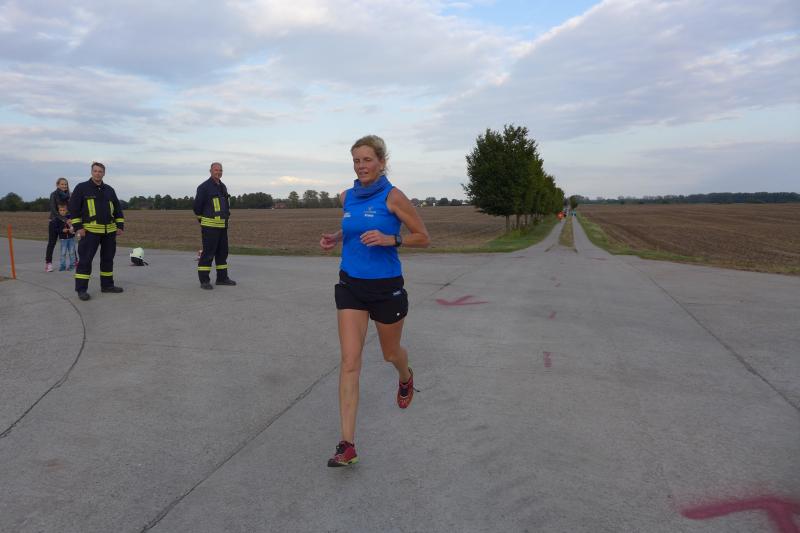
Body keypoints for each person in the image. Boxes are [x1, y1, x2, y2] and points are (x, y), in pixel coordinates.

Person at [319, 135, 430, 467]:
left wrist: (390, 239)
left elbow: (423, 237)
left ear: (381, 162)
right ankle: (347, 445)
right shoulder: (346, 197)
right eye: (356, 160)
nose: (361, 166)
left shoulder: (394, 197)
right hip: (351, 285)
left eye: (367, 160)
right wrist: (337, 236)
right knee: (350, 362)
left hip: (386, 288)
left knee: (389, 353)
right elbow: (354, 228)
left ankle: (405, 375)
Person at [68, 162, 125, 301]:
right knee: (85, 261)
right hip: (89, 232)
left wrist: (120, 226)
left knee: (108, 260)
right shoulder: (82, 188)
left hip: (109, 232)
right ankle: (81, 290)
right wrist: (78, 227)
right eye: (95, 171)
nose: (98, 173)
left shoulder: (109, 190)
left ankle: (107, 286)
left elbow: (117, 209)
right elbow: (73, 209)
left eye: (100, 171)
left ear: (104, 173)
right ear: (91, 172)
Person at [193, 162, 236, 289]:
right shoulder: (204, 187)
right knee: (208, 254)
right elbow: (197, 207)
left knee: (222, 253)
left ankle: (222, 278)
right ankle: (204, 281)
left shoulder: (223, 187)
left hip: (222, 227)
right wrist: (203, 220)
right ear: (210, 171)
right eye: (216, 170)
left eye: (220, 170)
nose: (219, 172)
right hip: (209, 227)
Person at [45, 178, 70, 272]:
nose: (64, 186)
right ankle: (48, 264)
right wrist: (64, 219)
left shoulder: (69, 195)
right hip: (55, 221)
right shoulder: (53, 194)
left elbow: (70, 208)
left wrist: (70, 219)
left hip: (66, 222)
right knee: (52, 243)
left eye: (65, 184)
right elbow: (53, 210)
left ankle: (74, 261)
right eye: (62, 184)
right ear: (57, 185)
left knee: (70, 241)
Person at [51, 203, 77, 271]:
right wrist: (62, 230)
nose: (62, 211)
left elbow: (74, 226)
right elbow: (56, 229)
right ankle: (62, 266)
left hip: (71, 238)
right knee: (63, 253)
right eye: (61, 210)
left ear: (66, 210)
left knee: (72, 253)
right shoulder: (57, 219)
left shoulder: (70, 218)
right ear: (58, 211)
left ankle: (72, 266)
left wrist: (72, 228)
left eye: (63, 210)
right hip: (63, 239)